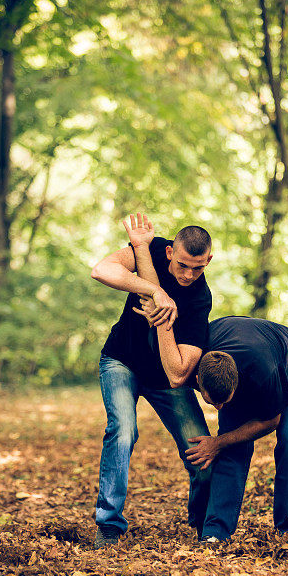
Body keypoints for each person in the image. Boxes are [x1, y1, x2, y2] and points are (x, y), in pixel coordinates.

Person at [91, 213, 213, 550]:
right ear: (171, 252)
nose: (189, 275)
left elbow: (180, 372)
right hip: (121, 361)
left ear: (209, 261)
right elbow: (101, 270)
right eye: (184, 264)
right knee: (124, 430)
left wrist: (165, 320)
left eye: (199, 268)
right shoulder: (152, 249)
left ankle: (204, 524)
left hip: (165, 380)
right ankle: (109, 526)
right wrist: (156, 291)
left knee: (200, 447)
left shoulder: (201, 300)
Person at [184, 316, 288, 542]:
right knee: (232, 447)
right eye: (212, 402)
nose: (219, 408)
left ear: (237, 383)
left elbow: (271, 420)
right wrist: (223, 442)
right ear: (198, 380)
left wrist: (218, 442)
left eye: (224, 401)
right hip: (243, 349)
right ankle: (215, 533)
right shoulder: (193, 359)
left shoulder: (263, 371)